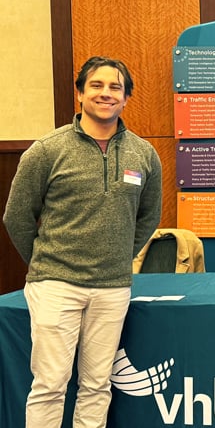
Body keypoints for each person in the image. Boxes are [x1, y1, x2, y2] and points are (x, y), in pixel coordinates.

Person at [3, 56, 162, 427]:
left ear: (125, 99)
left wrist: (120, 255)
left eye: (115, 87)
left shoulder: (144, 154)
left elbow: (149, 216)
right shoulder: (47, 150)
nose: (106, 94)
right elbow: (17, 216)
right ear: (79, 93)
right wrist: (46, 263)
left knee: (97, 385)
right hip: (55, 285)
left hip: (112, 288)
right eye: (96, 85)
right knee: (50, 385)